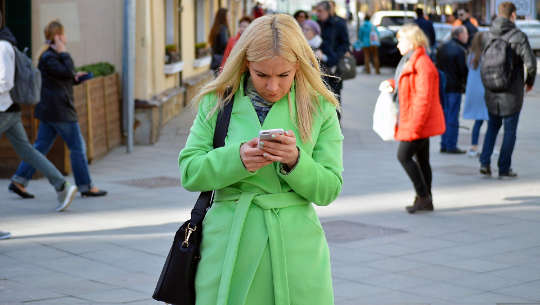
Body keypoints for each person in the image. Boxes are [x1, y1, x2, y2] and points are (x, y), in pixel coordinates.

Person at [179, 14, 343, 304]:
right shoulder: (217, 102)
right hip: (229, 243)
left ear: (298, 67)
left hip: (296, 250)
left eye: (284, 75)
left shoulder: (320, 107)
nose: (272, 87)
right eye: (261, 74)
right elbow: (190, 173)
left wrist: (295, 161)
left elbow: (329, 188)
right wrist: (237, 159)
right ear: (245, 65)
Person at [13, 20, 107, 198]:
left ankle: (19, 180)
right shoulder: (50, 57)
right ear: (57, 36)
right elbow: (66, 70)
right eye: (62, 34)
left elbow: (62, 78)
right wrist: (64, 53)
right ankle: (86, 186)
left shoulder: (50, 57)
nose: (65, 37)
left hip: (52, 110)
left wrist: (75, 78)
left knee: (39, 148)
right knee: (78, 147)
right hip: (59, 111)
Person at [0, 15, 77, 212]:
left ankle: (64, 185)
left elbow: (5, 81)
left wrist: (65, 54)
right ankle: (61, 185)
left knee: (34, 149)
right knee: (29, 150)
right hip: (12, 109)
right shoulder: (8, 45)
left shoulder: (2, 46)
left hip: (4, 109)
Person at [380, 24, 445, 214]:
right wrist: (393, 84)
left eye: (401, 40)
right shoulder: (411, 60)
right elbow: (407, 84)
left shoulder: (422, 63)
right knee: (422, 160)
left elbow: (423, 99)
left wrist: (415, 126)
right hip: (415, 119)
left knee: (404, 156)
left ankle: (423, 196)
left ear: (411, 41)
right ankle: (426, 198)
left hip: (417, 121)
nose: (398, 44)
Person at [479, 2, 536, 178]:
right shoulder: (518, 36)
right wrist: (529, 82)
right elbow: (531, 63)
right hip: (511, 92)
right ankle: (504, 168)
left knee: (492, 128)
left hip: (491, 90)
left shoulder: (487, 35)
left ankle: (484, 162)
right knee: (509, 131)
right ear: (513, 15)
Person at [316, 1, 350, 120]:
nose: (317, 13)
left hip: (335, 67)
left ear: (327, 11)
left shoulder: (339, 23)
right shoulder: (317, 24)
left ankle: (335, 126)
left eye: (320, 11)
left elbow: (345, 44)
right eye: (316, 11)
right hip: (318, 66)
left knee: (335, 97)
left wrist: (334, 58)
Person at [436, 26, 468, 154]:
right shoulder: (460, 50)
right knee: (452, 116)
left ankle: (444, 143)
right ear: (459, 35)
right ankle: (451, 145)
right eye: (465, 34)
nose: (467, 36)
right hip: (454, 86)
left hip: (443, 85)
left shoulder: (443, 47)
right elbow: (463, 70)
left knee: (444, 115)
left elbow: (437, 65)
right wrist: (465, 83)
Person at [462, 32, 489, 157]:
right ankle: (489, 146)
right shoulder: (487, 56)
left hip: (474, 91)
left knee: (478, 121)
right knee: (491, 121)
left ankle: (473, 146)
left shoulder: (471, 56)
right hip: (486, 90)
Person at [209, 8, 230, 74]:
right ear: (224, 17)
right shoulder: (223, 28)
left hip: (215, 61)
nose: (229, 18)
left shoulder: (215, 28)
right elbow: (225, 44)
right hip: (222, 61)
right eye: (228, 16)